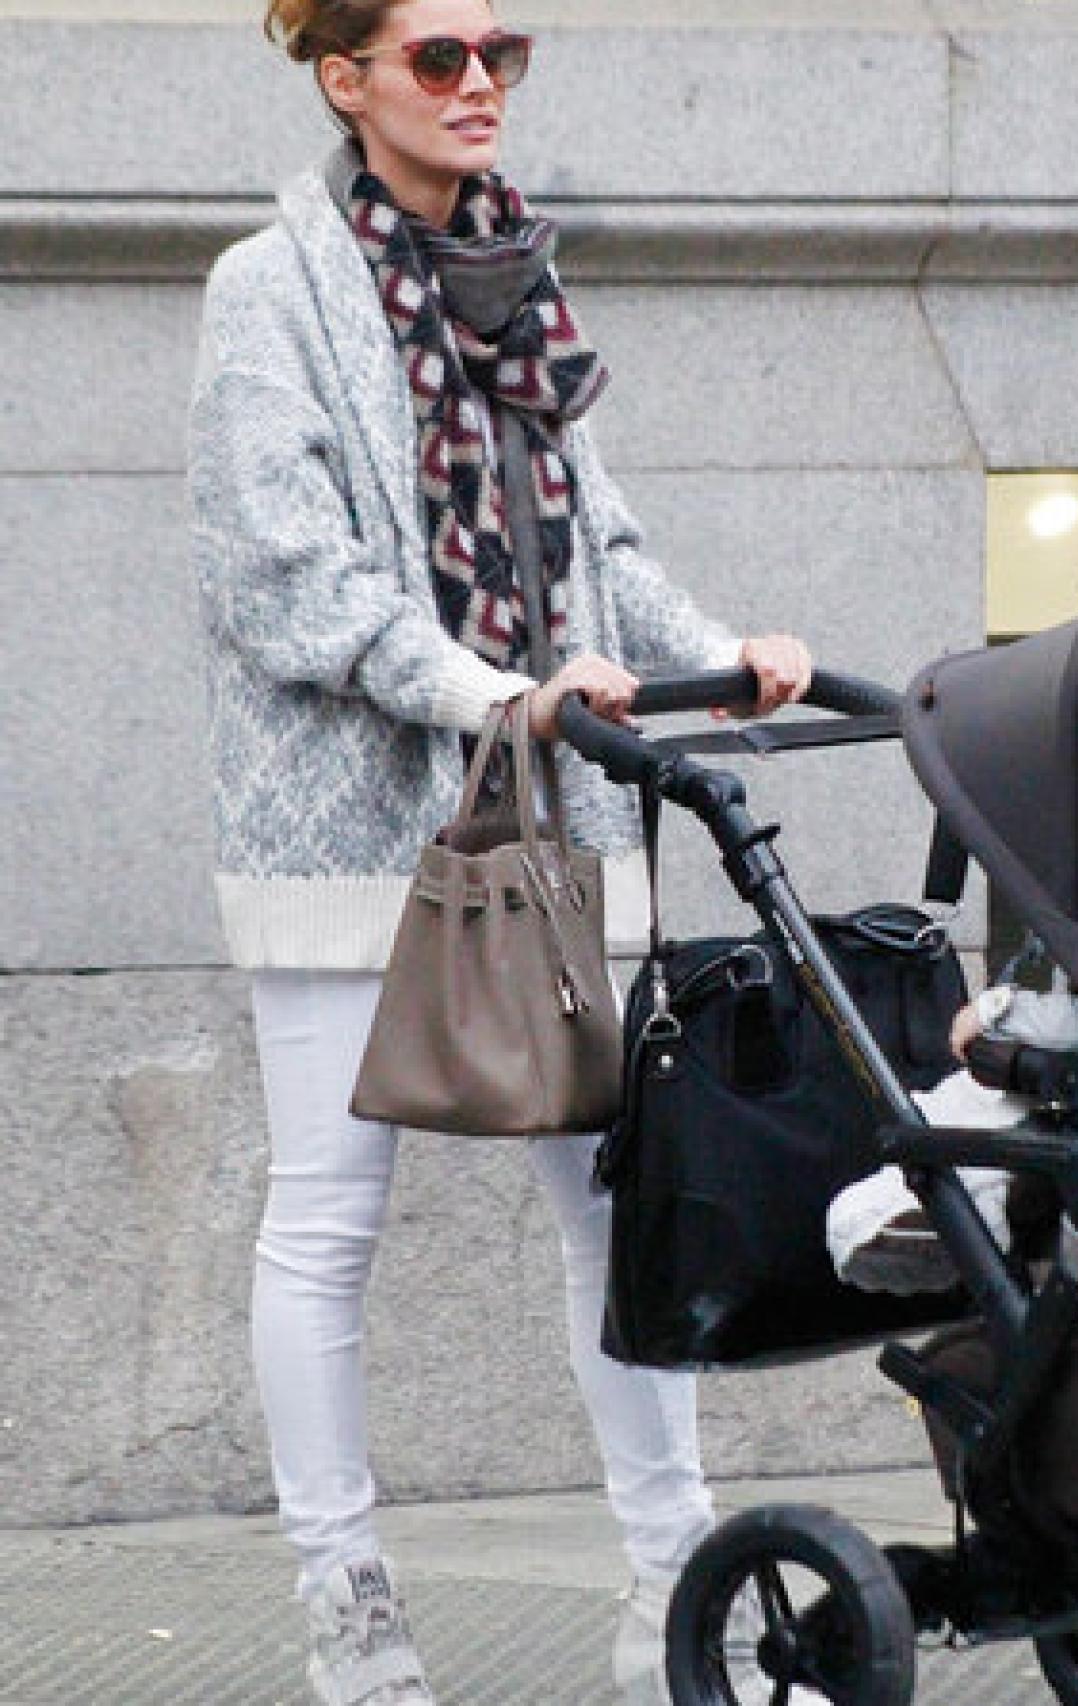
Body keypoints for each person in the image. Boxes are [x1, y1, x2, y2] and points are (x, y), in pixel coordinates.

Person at [188, 4, 811, 1702]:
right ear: (344, 76)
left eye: (501, 55)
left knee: (623, 1213)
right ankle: (350, 1611)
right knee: (329, 1218)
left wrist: (728, 649)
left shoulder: (520, 281)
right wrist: (497, 691)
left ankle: (673, 1594)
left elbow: (598, 544)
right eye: (438, 57)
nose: (479, 86)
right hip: (344, 825)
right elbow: (283, 576)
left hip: (553, 812)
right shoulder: (272, 291)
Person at [827, 973, 1078, 1292]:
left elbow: (1076, 1023)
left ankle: (967, 1224)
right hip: (1037, 1101)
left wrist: (992, 1008)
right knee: (931, 1121)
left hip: (1041, 1107)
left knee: (858, 1212)